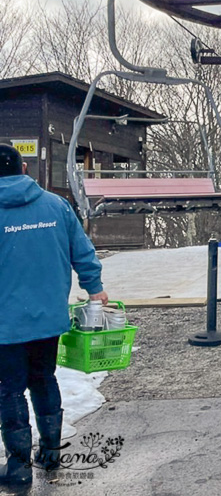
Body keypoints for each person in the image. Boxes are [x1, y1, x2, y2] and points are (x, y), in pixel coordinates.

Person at [0, 144, 107, 485]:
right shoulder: (56, 205)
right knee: (44, 379)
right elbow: (83, 251)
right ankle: (50, 455)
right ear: (25, 168)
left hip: (6, 325)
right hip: (48, 318)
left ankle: (18, 471)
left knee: (10, 391)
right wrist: (94, 287)